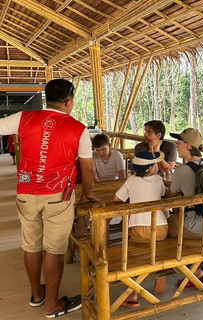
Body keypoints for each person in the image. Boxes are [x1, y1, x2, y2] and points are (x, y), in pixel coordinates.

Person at [0, 79, 99, 318]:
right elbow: (87, 170)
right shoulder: (78, 128)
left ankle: (37, 295)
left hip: (26, 193)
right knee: (53, 250)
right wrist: (86, 193)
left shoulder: (23, 118)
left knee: (31, 247)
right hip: (58, 196)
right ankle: (52, 304)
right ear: (68, 101)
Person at [113, 150, 172, 306]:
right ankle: (160, 280)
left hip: (139, 227)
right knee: (157, 250)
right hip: (161, 227)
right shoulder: (158, 179)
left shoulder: (131, 180)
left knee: (135, 258)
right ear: (151, 168)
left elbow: (116, 198)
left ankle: (133, 294)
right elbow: (163, 193)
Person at [163, 128, 203, 289]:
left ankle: (193, 272)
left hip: (195, 227)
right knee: (190, 225)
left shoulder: (182, 170)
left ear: (188, 146)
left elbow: (169, 196)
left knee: (164, 227)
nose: (176, 145)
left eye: (179, 142)